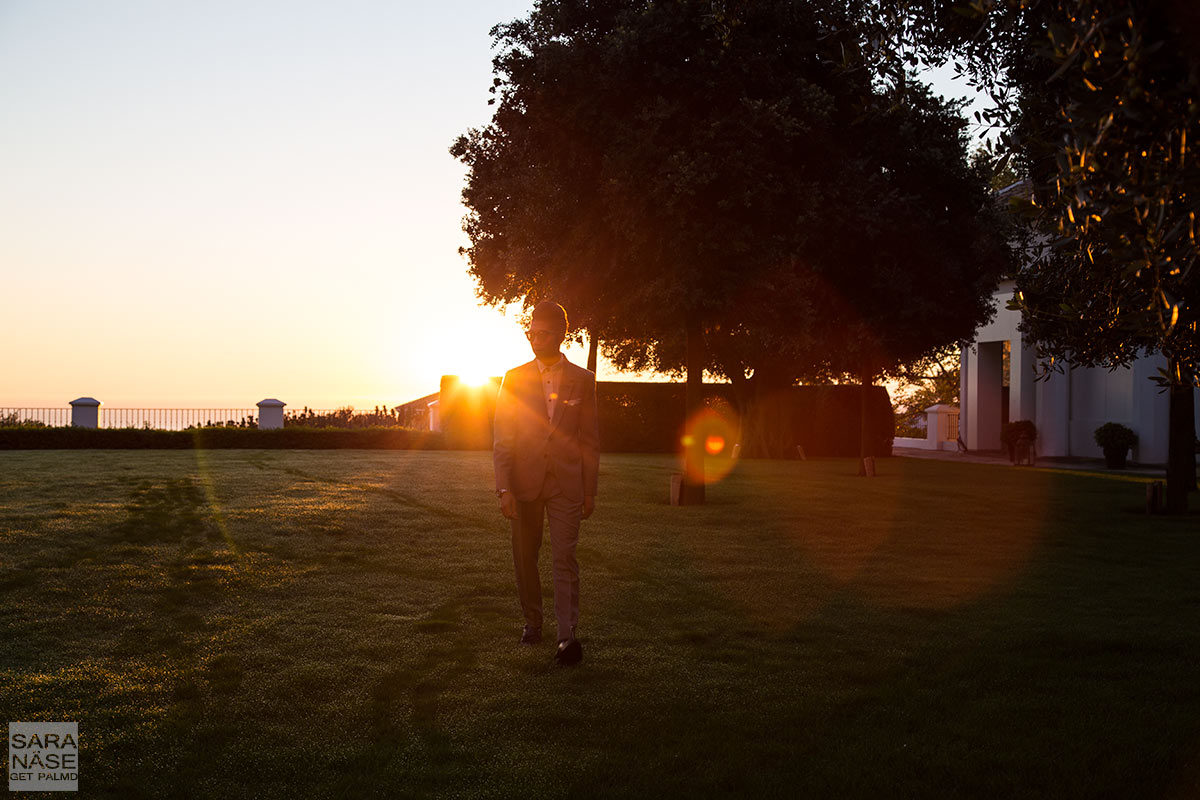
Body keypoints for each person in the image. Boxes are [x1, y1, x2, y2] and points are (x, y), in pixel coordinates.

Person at [493, 301, 599, 665]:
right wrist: (504, 488)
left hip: (567, 484)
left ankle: (566, 637)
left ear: (561, 334)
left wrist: (590, 489)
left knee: (564, 557)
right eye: (531, 333)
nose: (535, 340)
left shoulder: (584, 380)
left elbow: (589, 439)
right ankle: (532, 622)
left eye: (543, 334)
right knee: (525, 556)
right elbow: (503, 437)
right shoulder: (514, 377)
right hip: (523, 483)